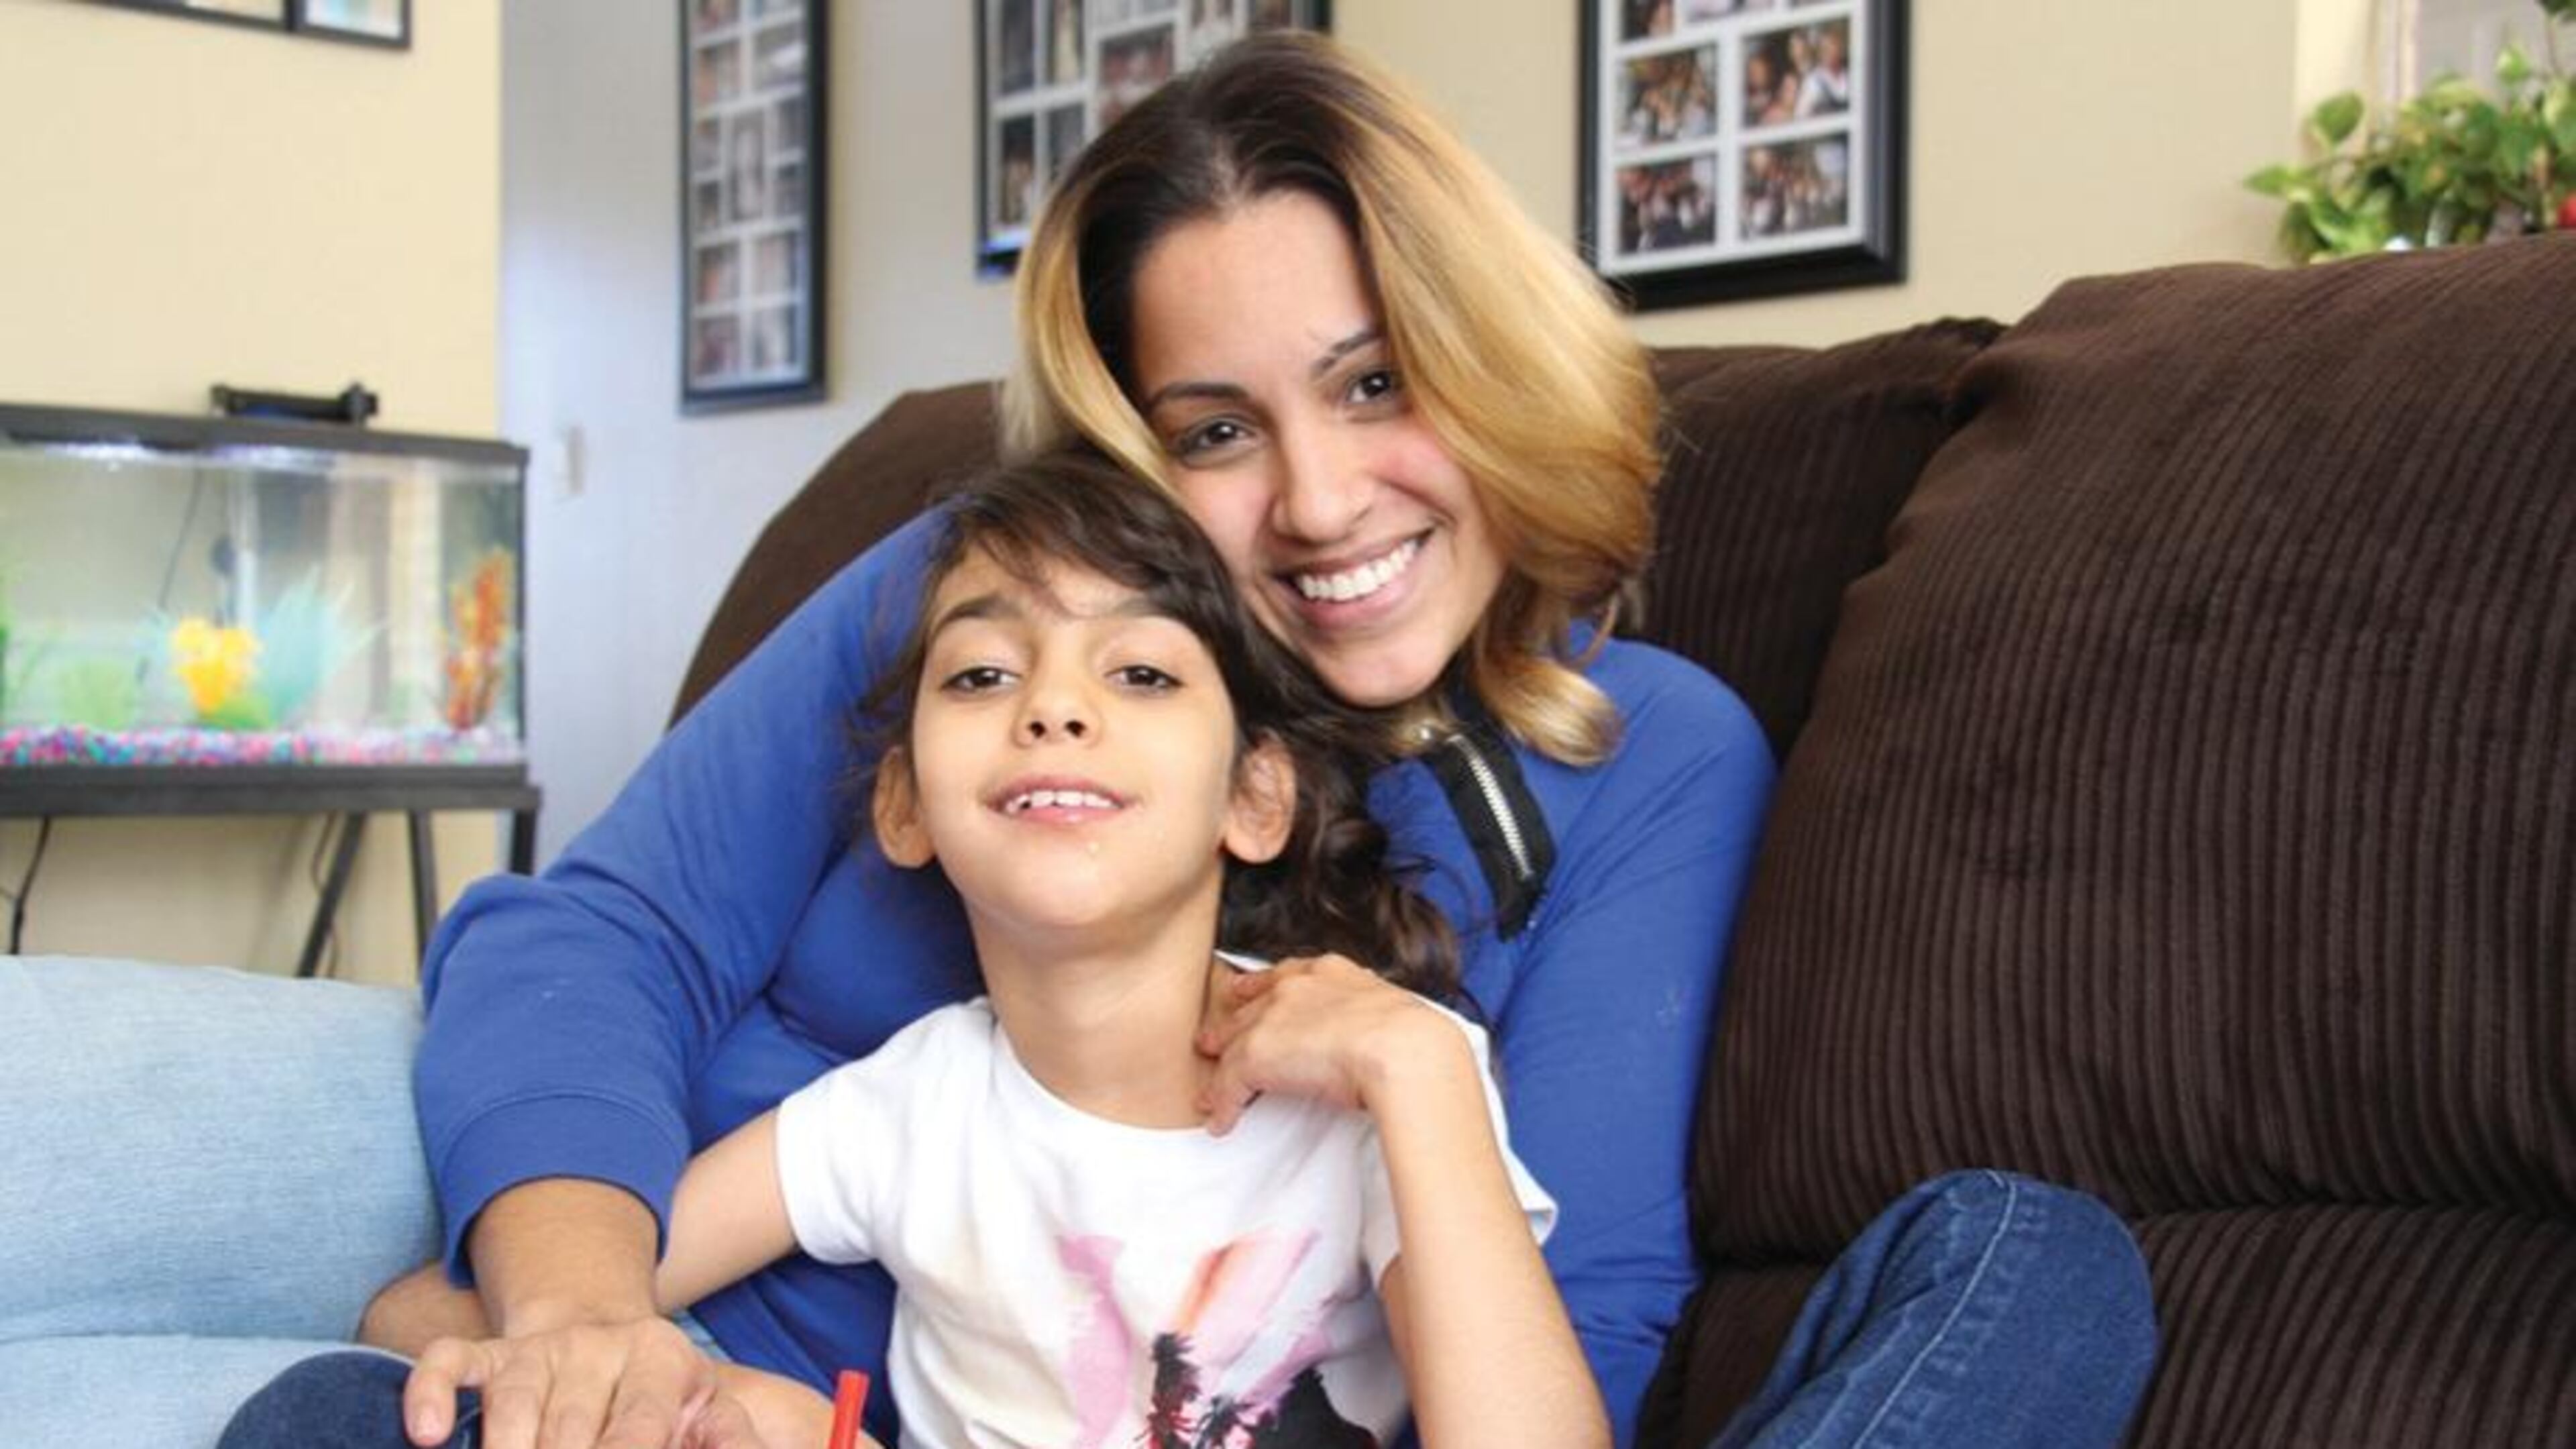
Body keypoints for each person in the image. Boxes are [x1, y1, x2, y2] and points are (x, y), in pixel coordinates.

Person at [0, 32, 2153, 1449]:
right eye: (1217, 432)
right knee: (316, 1420)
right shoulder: (984, 597)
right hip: (732, 1392)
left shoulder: (1632, 760)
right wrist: (575, 1328)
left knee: (2031, 1267)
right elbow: (594, 939)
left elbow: (1571, 1329)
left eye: (1380, 384)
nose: (1316, 504)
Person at [221, 455, 1596, 1449]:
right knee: (324, 1419)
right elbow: (464, 1317)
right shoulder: (907, 1109)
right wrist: (656, 1387)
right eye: (984, 675)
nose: (1054, 709)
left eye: (1142, 674)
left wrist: (1415, 1073)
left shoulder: (1386, 1085)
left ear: (1256, 800)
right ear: (904, 806)